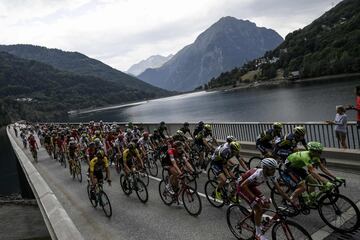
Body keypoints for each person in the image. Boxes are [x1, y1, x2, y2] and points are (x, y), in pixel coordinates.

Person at [238, 158, 293, 240]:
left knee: (266, 205)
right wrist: (256, 198)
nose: (274, 171)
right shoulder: (257, 174)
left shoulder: (271, 175)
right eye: (272, 169)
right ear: (265, 168)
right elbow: (243, 185)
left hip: (251, 186)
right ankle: (258, 233)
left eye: (275, 169)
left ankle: (255, 217)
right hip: (242, 187)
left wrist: (290, 200)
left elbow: (279, 190)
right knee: (259, 208)